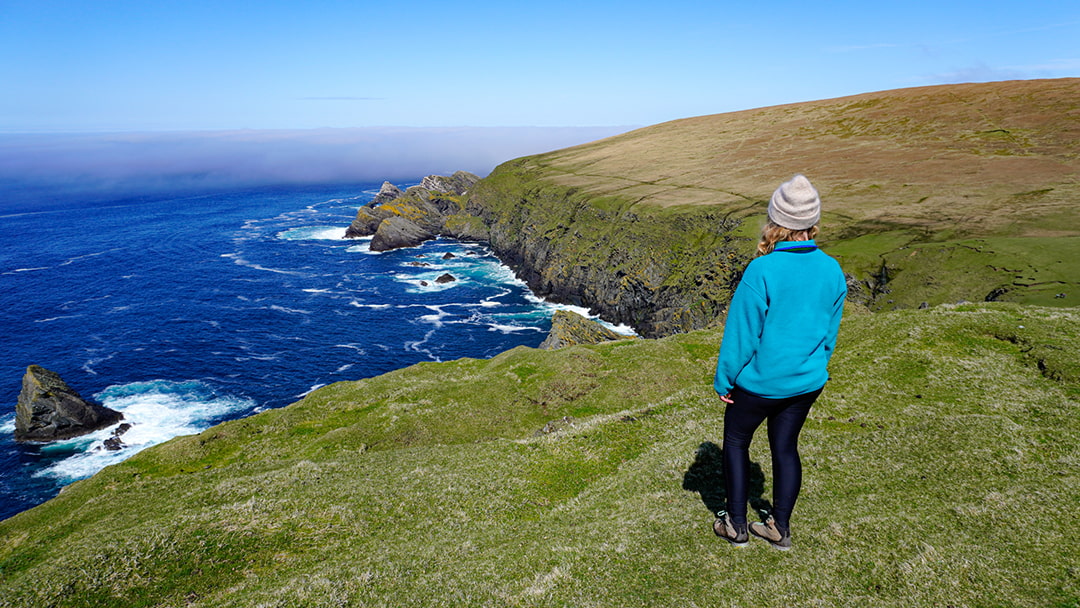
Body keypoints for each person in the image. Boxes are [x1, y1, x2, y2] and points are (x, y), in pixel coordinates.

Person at [711, 174, 846, 550]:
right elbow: (829, 334)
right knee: (785, 448)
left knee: (737, 442)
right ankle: (779, 528)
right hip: (806, 382)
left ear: (776, 221)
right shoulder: (832, 269)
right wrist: (817, 365)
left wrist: (725, 380)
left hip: (758, 384)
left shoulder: (762, 270)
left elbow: (742, 334)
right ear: (812, 222)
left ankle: (736, 525)